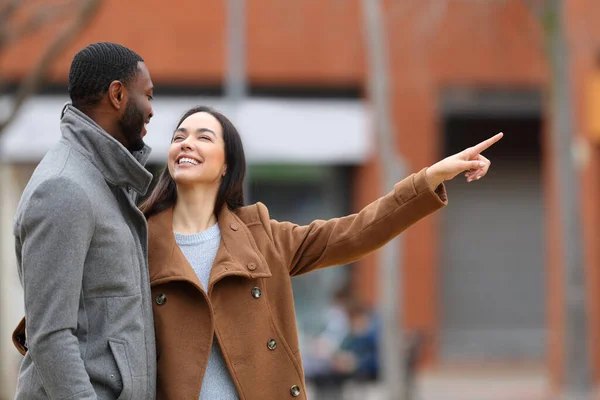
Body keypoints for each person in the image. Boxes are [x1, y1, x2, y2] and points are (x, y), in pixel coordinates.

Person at [139, 105, 503, 399]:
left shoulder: (261, 236)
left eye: (203, 137)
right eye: (178, 137)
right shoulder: (139, 240)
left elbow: (355, 232)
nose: (186, 143)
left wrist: (430, 179)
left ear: (227, 165)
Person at [11, 42, 157, 399]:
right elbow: (49, 335)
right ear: (118, 95)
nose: (152, 110)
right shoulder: (65, 187)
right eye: (148, 95)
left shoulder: (103, 181)